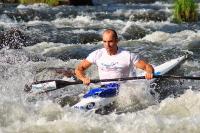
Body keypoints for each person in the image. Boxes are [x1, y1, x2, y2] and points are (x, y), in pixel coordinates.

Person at [75, 29, 154, 85]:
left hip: (123, 89)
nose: (107, 45)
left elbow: (147, 66)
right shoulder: (96, 54)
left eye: (110, 41)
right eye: (105, 41)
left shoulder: (127, 55)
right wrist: (83, 78)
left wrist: (149, 72)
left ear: (116, 41)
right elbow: (79, 69)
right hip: (104, 88)